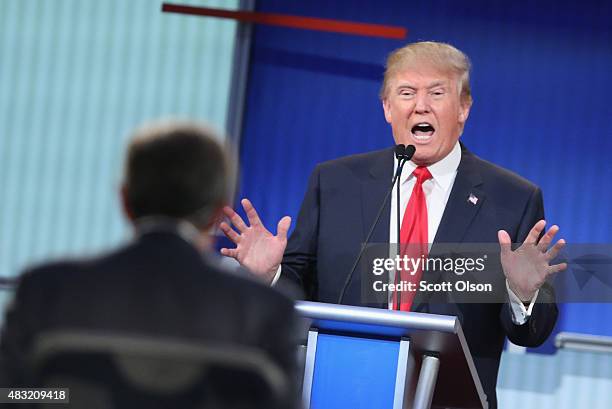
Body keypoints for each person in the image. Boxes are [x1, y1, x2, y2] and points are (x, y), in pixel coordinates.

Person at [219, 42, 566, 408]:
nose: (421, 105)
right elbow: (296, 293)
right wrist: (271, 276)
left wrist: (523, 295)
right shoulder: (335, 183)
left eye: (437, 92)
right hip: (338, 394)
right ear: (387, 107)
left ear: (463, 108)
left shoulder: (511, 199)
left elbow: (532, 333)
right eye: (406, 93)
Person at [0, 120, 299, 403]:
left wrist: (63, 398)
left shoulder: (45, 289)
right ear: (217, 214)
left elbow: (12, 397)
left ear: (125, 201)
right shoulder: (266, 310)